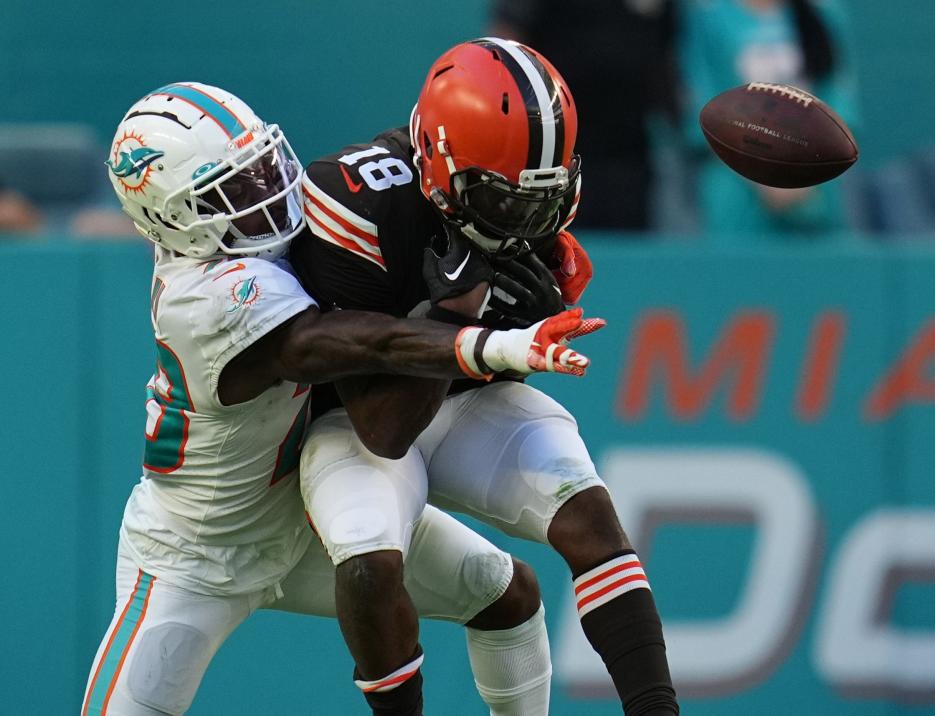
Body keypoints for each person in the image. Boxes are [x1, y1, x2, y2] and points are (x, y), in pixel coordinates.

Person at [82, 82, 603, 715]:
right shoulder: (203, 295)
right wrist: (491, 344)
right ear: (171, 219)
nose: (266, 197)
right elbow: (339, 343)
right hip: (196, 554)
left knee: (505, 595)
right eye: (232, 193)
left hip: (300, 519)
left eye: (262, 169)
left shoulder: (279, 241)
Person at [291, 38, 679, 716]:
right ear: (439, 165)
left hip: (465, 401)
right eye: (507, 202)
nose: (527, 223)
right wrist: (456, 314)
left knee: (590, 518)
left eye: (544, 199)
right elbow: (383, 429)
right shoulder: (354, 201)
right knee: (369, 561)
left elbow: (533, 273)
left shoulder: (506, 191)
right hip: (358, 422)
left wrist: (522, 323)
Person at [490, 0, 680, 231]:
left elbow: (669, 46)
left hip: (631, 149)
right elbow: (508, 45)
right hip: (555, 151)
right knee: (558, 247)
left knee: (630, 245)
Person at [680, 0, 858, 238]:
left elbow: (840, 105)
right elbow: (702, 112)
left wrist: (805, 174)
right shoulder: (708, 16)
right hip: (739, 196)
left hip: (814, 195)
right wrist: (763, 176)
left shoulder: (823, 13)